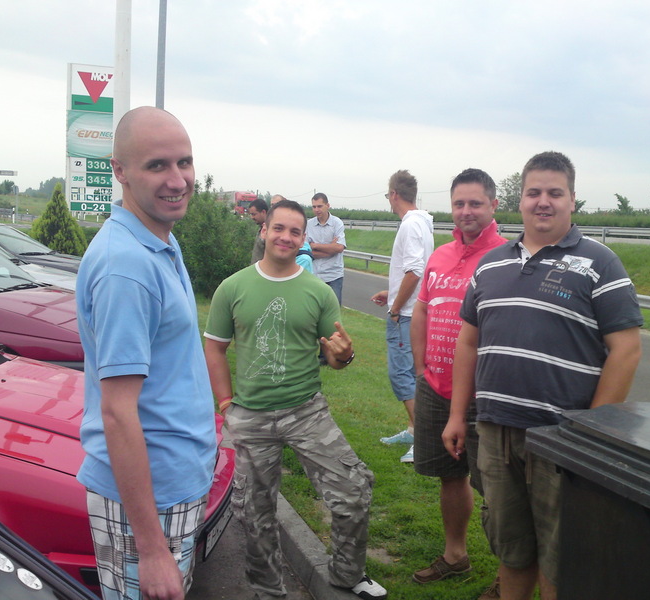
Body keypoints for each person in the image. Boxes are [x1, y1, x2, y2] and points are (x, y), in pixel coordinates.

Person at [443, 151, 643, 600]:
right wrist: (457, 415)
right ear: (520, 200)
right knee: (513, 552)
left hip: (562, 440)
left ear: (573, 200)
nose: (543, 201)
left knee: (560, 560)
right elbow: (468, 343)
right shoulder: (491, 264)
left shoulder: (600, 263)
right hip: (495, 430)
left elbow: (626, 349)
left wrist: (590, 433)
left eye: (555, 192)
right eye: (534, 192)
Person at [204, 200, 387, 600]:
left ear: (303, 238)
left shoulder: (318, 292)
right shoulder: (232, 287)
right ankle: (268, 589)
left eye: (294, 231)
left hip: (306, 411)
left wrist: (345, 356)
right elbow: (215, 348)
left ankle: (346, 574)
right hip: (250, 415)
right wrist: (226, 404)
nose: (285, 237)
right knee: (254, 512)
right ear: (264, 231)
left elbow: (335, 356)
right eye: (278, 228)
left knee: (353, 490)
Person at [76, 106, 217, 600]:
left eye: (184, 162)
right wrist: (152, 550)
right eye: (157, 165)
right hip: (149, 499)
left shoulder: (158, 241)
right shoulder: (126, 266)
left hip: (172, 483)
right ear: (120, 171)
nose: (177, 180)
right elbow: (117, 413)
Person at [409, 169, 506, 586]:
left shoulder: (507, 258)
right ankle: (455, 555)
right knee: (450, 475)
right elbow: (422, 310)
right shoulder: (440, 255)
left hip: (486, 393)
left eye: (475, 203)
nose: (466, 211)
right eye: (459, 203)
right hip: (436, 387)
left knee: (500, 490)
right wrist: (421, 368)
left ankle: (508, 579)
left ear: (493, 206)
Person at [371, 170, 433, 463]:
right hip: (413, 309)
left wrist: (395, 308)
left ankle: (423, 439)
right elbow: (417, 270)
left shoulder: (410, 225)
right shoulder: (423, 223)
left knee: (401, 375)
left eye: (388, 194)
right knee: (412, 374)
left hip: (406, 315)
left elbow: (415, 271)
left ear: (394, 194)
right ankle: (412, 430)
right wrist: (392, 293)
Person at [306, 192, 346, 303]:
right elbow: (307, 252)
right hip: (315, 275)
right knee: (314, 308)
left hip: (334, 275)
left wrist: (315, 245)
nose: (316, 210)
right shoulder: (308, 225)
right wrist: (331, 249)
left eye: (319, 206)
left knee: (334, 309)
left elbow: (339, 248)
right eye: (314, 207)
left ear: (327, 205)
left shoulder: (337, 223)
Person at [249, 197, 269, 263]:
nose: (252, 217)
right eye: (251, 214)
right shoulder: (261, 228)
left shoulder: (270, 230)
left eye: (254, 214)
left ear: (263, 212)